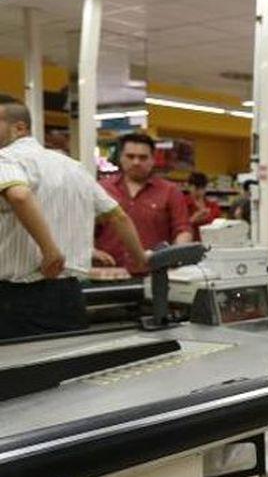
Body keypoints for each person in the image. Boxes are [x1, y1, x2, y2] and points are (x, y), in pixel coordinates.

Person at [0, 98, 147, 340]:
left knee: (19, 375)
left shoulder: (6, 158)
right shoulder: (72, 166)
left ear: (20, 128)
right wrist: (141, 258)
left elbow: (20, 195)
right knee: (70, 372)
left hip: (17, 299)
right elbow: (118, 216)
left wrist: (50, 251)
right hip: (69, 297)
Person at [94, 133, 192, 271]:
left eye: (143, 157)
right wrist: (92, 251)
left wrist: (176, 255)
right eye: (130, 156)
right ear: (121, 158)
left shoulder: (170, 191)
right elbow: (84, 229)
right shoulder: (102, 189)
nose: (136, 162)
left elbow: (183, 230)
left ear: (152, 159)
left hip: (154, 274)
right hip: (108, 274)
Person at [185, 172, 222, 240]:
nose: (199, 192)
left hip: (210, 241)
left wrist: (207, 218)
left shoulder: (212, 205)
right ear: (189, 186)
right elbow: (178, 226)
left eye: (202, 188)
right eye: (196, 188)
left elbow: (219, 224)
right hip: (189, 242)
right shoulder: (182, 204)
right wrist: (193, 219)